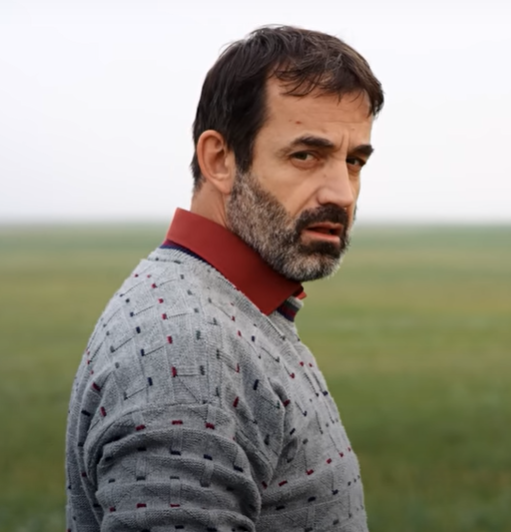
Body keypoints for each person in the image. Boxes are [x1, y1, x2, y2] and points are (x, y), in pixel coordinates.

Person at [66, 25, 383, 532]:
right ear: (219, 160)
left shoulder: (226, 311)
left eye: (354, 161)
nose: (342, 193)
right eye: (306, 155)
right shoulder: (188, 352)